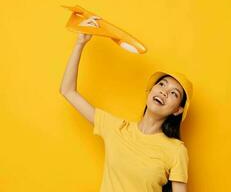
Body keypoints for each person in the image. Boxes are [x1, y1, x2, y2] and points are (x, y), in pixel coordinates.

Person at [60, 16, 193, 192]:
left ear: (177, 109)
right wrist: (80, 43)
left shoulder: (176, 151)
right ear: (150, 91)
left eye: (173, 93)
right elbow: (68, 91)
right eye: (161, 84)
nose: (164, 92)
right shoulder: (117, 129)